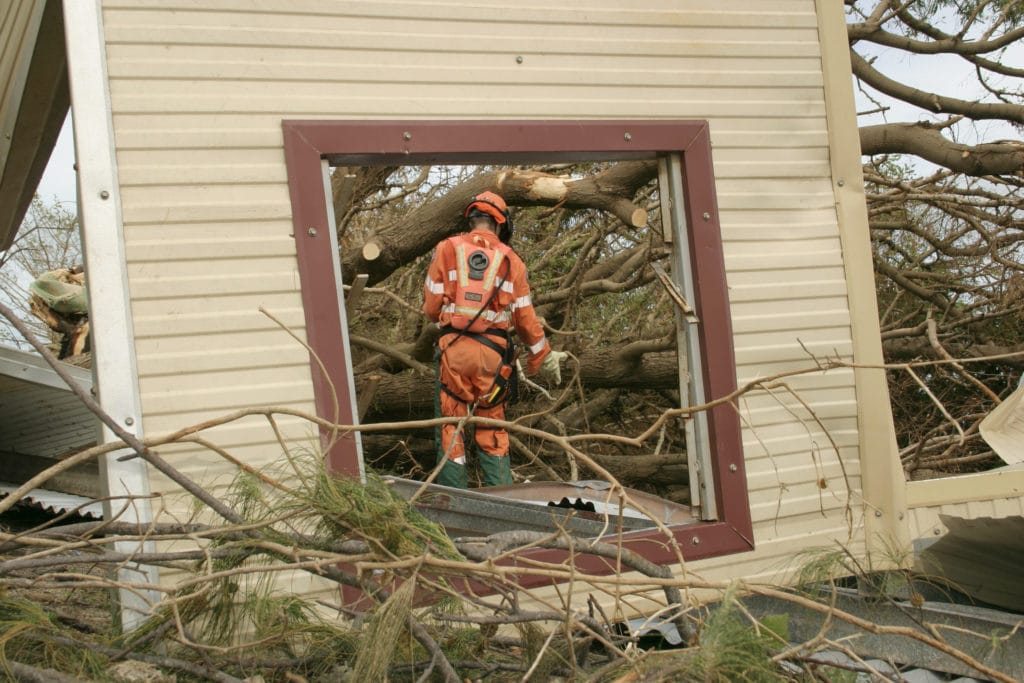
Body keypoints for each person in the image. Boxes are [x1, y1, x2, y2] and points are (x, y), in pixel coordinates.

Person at [422, 191, 566, 488]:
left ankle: (454, 503)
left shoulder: (447, 248)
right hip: (493, 360)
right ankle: (503, 501)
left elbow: (431, 308)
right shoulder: (513, 261)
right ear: (501, 225)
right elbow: (525, 320)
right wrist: (544, 355)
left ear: (472, 219)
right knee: (493, 430)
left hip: (454, 354)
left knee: (451, 428)